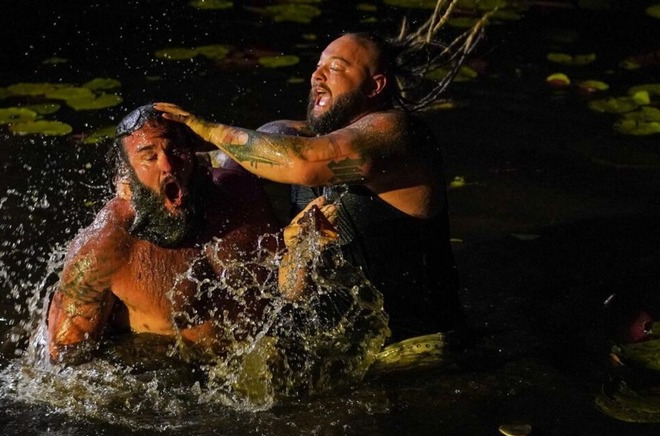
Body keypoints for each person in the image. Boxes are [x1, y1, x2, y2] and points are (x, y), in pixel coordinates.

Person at [153, 18, 488, 340]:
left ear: (374, 86)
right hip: (342, 349)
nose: (317, 75)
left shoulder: (398, 135)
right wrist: (154, 169)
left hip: (419, 350)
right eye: (318, 65)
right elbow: (218, 162)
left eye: (336, 67)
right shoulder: (294, 139)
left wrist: (208, 129)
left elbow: (304, 163)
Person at [46, 104, 339, 364]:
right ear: (127, 177)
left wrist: (302, 246)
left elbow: (288, 293)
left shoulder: (240, 193)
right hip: (177, 389)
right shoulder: (106, 246)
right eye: (149, 157)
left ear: (195, 155)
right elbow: (64, 357)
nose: (167, 165)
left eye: (175, 151)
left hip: (265, 365)